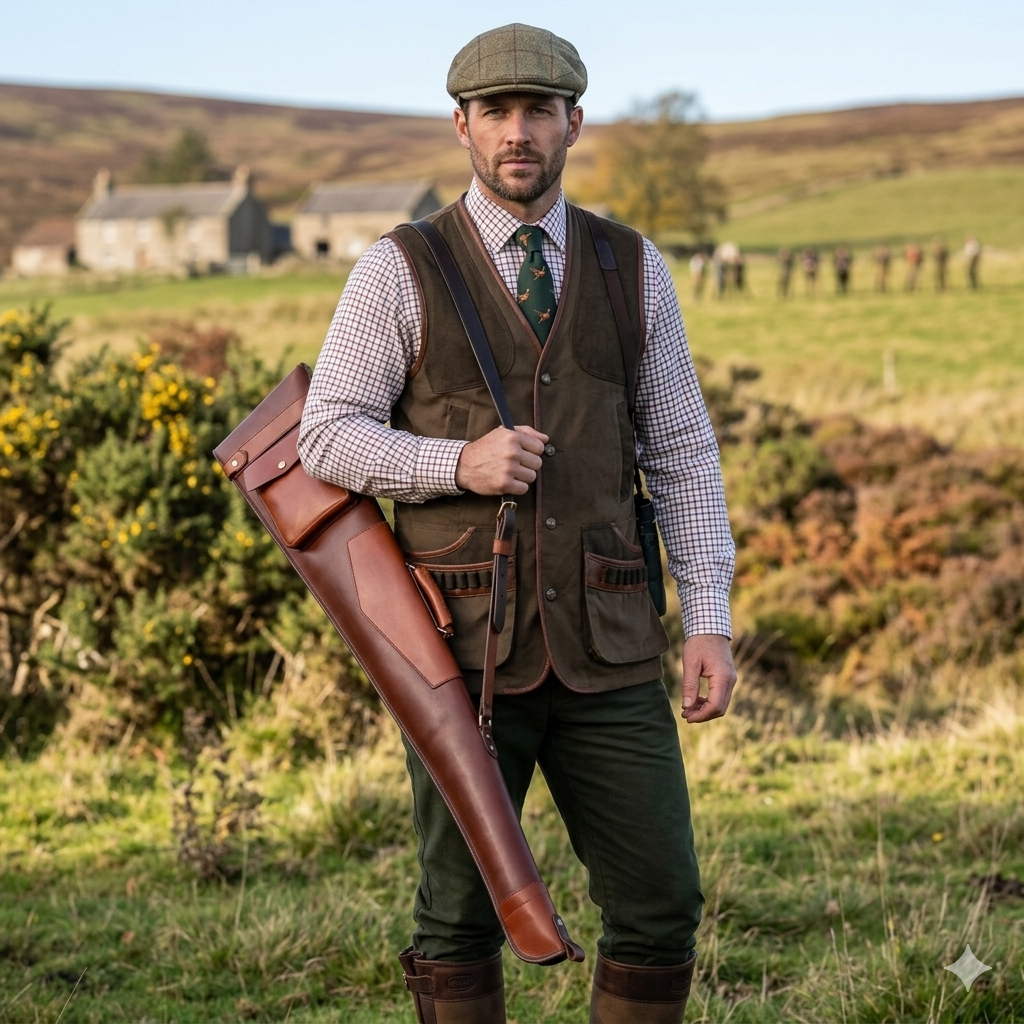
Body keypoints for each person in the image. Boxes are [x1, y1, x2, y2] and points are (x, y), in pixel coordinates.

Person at [298, 23, 736, 1024]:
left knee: (661, 902)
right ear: (460, 125)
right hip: (457, 654)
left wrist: (706, 612)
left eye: (538, 109)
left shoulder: (634, 269)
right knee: (456, 915)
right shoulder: (397, 268)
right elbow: (326, 435)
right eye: (494, 111)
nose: (517, 131)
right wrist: (455, 462)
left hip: (612, 646)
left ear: (573, 122)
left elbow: (680, 452)